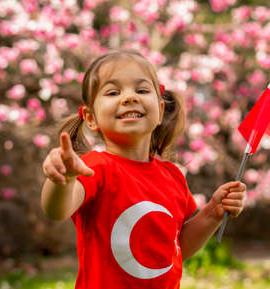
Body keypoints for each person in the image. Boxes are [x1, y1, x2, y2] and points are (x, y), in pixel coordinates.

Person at [40, 49, 246, 289]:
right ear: (90, 117)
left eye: (141, 90)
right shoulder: (95, 168)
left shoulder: (173, 176)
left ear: (159, 110)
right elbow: (57, 210)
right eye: (113, 92)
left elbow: (173, 250)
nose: (129, 98)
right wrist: (63, 180)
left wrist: (212, 213)